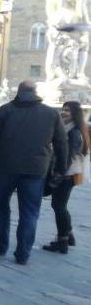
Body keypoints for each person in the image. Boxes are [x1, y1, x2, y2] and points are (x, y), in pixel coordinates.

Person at [0, 80, 68, 265]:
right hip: (36, 169)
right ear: (35, 92)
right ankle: (23, 254)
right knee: (30, 212)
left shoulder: (4, 111)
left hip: (5, 166)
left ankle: (0, 245)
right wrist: (62, 169)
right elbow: (62, 144)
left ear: (18, 92)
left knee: (0, 206)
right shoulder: (51, 113)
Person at [42, 101, 89, 253]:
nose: (63, 112)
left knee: (59, 206)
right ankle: (68, 235)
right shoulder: (69, 127)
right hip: (68, 173)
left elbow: (69, 155)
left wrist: (59, 174)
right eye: (63, 109)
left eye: (67, 110)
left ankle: (62, 241)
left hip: (66, 174)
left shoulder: (73, 131)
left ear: (75, 113)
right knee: (60, 206)